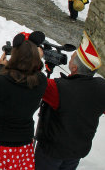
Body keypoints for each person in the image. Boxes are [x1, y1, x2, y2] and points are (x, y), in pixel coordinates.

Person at [0, 31, 47, 170]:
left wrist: (1, 68)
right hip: (24, 139)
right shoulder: (42, 80)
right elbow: (35, 71)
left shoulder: (4, 79)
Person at [35, 31, 105, 170]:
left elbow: (34, 82)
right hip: (77, 150)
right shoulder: (102, 87)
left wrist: (38, 61)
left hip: (51, 151)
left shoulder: (57, 88)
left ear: (74, 68)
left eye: (71, 58)